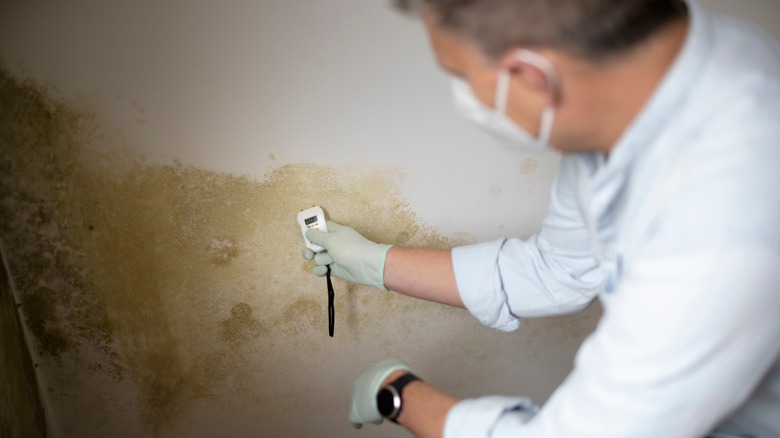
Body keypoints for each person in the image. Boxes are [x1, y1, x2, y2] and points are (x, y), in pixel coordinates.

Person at [301, 0, 780, 437]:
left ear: (531, 76)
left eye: (461, 74)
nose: (464, 96)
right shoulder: (653, 88)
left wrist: (397, 393)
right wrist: (373, 262)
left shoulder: (721, 226)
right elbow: (558, 269)